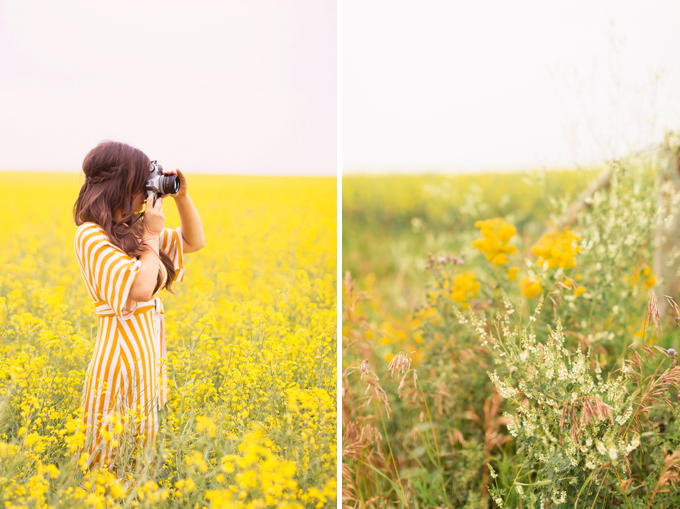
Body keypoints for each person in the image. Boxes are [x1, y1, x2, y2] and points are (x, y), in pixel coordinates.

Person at [72, 140, 205, 480]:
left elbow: (194, 241)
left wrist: (182, 197)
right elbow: (142, 289)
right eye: (138, 183)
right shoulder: (91, 236)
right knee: (106, 466)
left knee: (138, 467)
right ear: (120, 185)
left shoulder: (135, 231)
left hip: (146, 360)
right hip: (117, 362)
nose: (143, 193)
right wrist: (151, 238)